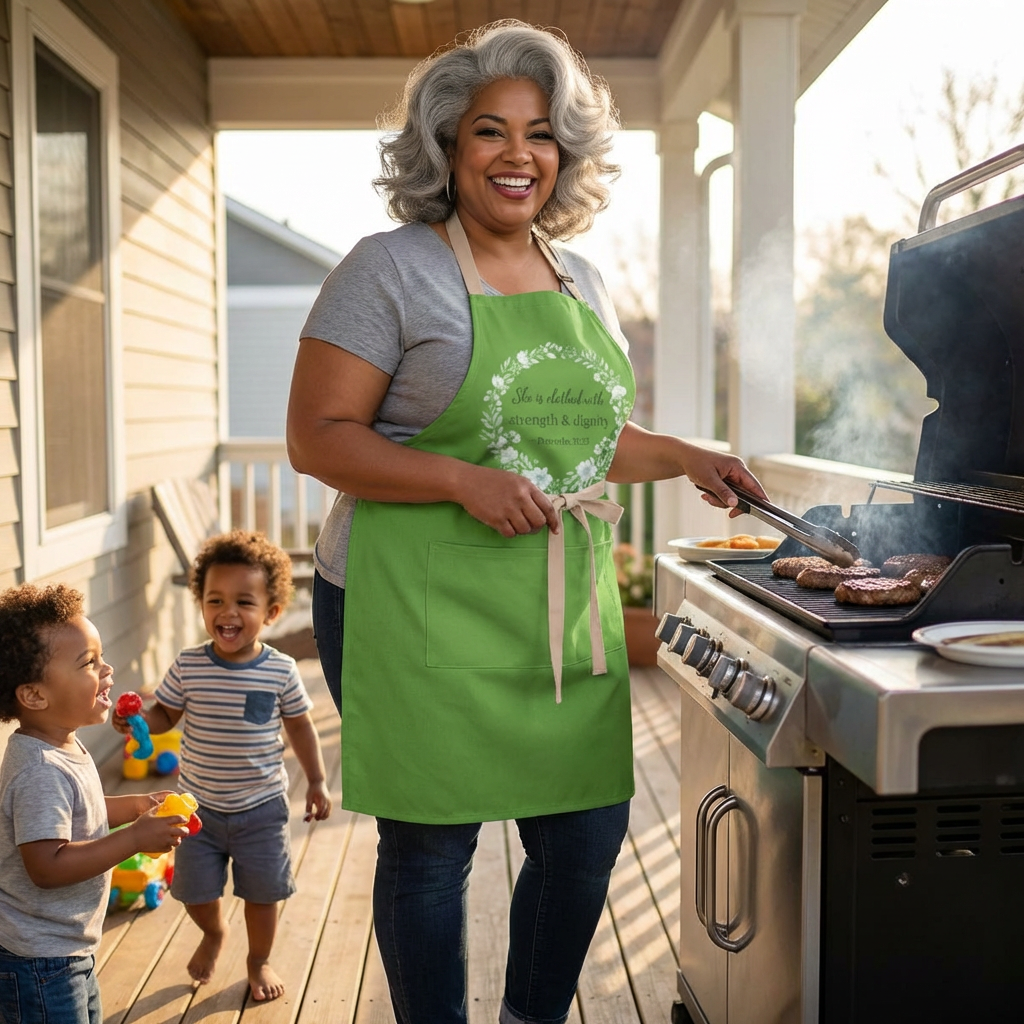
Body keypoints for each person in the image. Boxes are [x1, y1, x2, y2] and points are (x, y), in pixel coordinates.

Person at [286, 20, 766, 1024]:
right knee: (431, 841)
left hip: (554, 599)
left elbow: (579, 438)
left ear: (567, 153)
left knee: (586, 829)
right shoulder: (387, 270)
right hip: (409, 595)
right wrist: (463, 481)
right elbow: (319, 438)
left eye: (541, 133)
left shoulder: (575, 277)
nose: (519, 156)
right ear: (446, 148)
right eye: (489, 132)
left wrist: (682, 455)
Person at [112, 531, 332, 1003]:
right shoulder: (190, 665)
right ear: (201, 605)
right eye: (215, 600)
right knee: (193, 893)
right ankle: (213, 932)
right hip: (196, 810)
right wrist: (136, 723)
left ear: (271, 613)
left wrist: (316, 780)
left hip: (261, 809)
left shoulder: (280, 670)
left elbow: (300, 728)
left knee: (263, 895)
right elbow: (164, 715)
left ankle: (258, 960)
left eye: (244, 602)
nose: (228, 612)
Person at [0, 584, 187, 1024]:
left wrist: (137, 806)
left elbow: (79, 810)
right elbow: (48, 866)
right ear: (34, 696)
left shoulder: (59, 743)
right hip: (40, 961)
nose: (108, 669)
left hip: (65, 949)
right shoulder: (39, 769)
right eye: (89, 662)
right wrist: (136, 838)